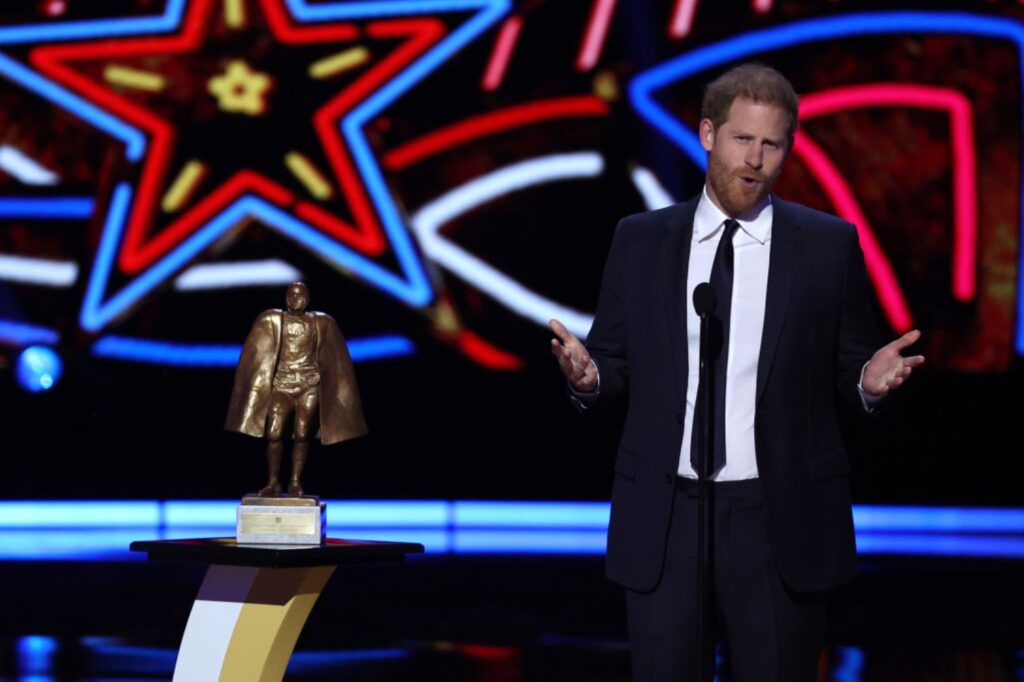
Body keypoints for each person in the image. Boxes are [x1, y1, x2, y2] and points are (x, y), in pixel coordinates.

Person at [549, 63, 924, 681]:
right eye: (741, 139)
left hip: (778, 520)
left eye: (771, 143)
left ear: (787, 150)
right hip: (666, 518)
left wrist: (867, 381)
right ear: (706, 135)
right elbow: (611, 361)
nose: (755, 159)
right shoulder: (641, 240)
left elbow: (849, 366)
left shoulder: (827, 245)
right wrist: (589, 379)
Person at [226, 281, 367, 497]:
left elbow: (336, 360)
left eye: (300, 295)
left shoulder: (321, 322)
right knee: (274, 433)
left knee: (302, 434)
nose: (295, 300)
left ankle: (295, 481)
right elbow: (256, 354)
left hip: (308, 384)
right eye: (291, 295)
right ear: (286, 299)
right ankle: (273, 482)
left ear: (307, 299)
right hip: (281, 385)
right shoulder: (274, 320)